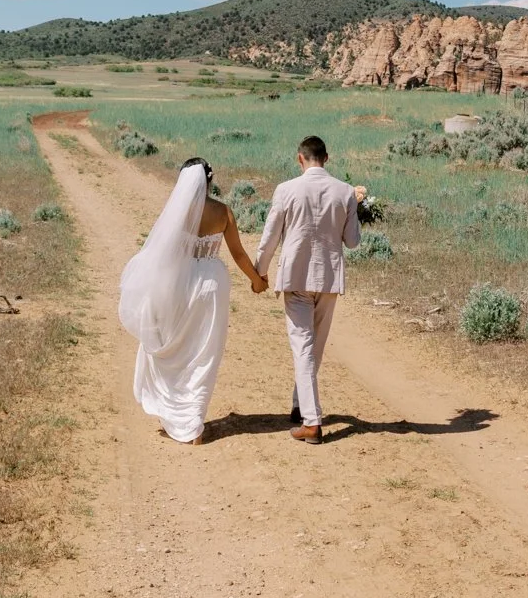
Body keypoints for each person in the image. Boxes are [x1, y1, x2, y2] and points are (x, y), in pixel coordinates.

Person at [117, 157, 266, 444]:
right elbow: (237, 254)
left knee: (179, 347)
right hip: (212, 284)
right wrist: (256, 279)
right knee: (204, 354)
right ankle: (194, 422)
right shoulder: (223, 212)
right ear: (209, 180)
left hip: (180, 283)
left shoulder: (176, 213)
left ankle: (176, 414)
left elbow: (161, 254)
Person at [254, 135, 362, 444]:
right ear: (326, 158)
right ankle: (301, 404)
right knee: (314, 347)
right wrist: (356, 206)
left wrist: (259, 273)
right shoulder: (345, 192)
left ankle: (312, 422)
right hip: (328, 280)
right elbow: (352, 242)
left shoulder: (286, 190)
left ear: (300, 159)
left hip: (296, 277)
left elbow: (271, 235)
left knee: (302, 345)